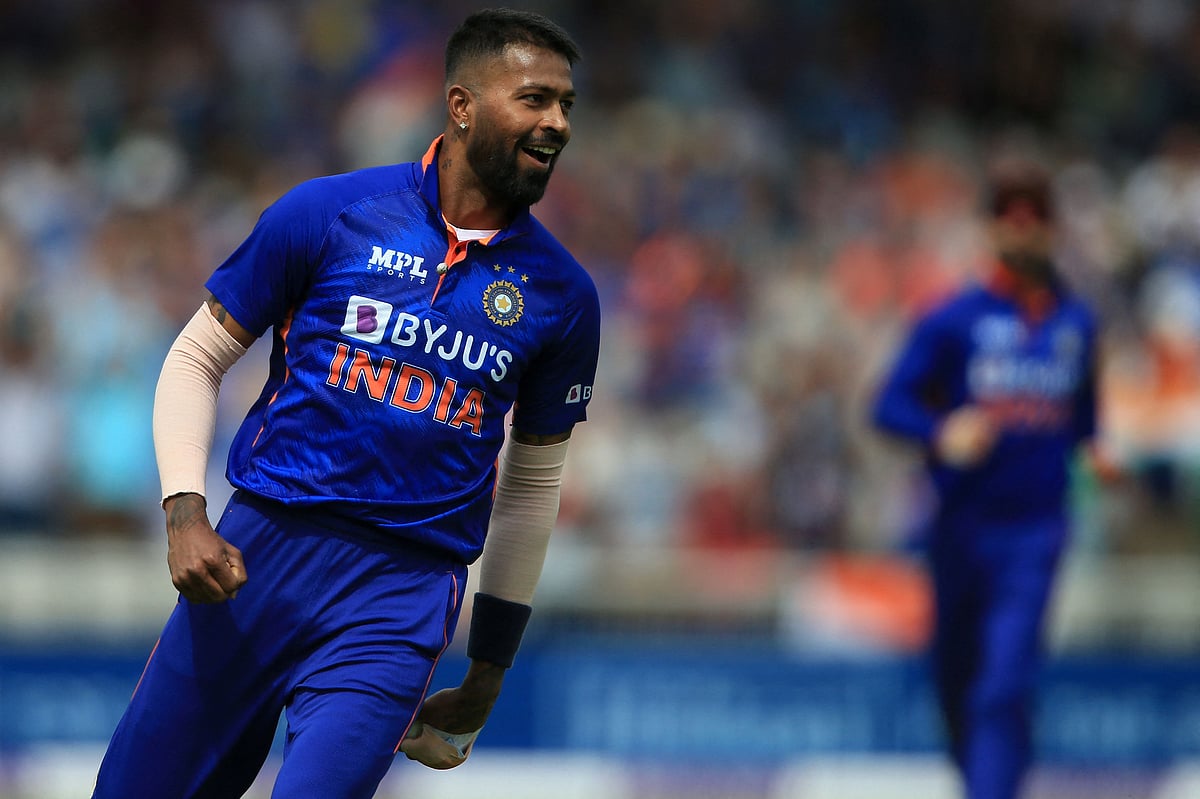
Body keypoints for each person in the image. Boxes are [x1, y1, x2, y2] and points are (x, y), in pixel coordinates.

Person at [91, 8, 599, 798]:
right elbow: (195, 357)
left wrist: (489, 669)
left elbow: (531, 487)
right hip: (256, 559)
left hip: (399, 599)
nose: (557, 123)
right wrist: (185, 513)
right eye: (534, 99)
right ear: (462, 106)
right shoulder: (329, 213)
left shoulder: (564, 296)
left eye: (566, 104)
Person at [870, 165, 1109, 799]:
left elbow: (1086, 423)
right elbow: (888, 406)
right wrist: (941, 430)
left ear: (1053, 230)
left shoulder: (1077, 323)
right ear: (990, 228)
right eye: (1009, 216)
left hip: (1035, 531)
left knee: (1004, 683)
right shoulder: (953, 319)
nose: (1023, 230)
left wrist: (1099, 458)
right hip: (961, 528)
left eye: (1036, 217)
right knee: (957, 680)